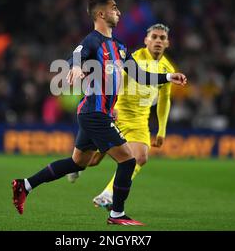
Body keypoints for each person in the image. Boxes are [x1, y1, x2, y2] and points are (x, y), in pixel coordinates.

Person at [11, 0, 187, 226]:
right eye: (114, 8)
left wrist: (167, 76)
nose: (119, 12)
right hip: (94, 113)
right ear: (101, 14)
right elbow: (76, 53)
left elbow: (140, 76)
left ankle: (25, 185)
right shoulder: (93, 40)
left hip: (94, 114)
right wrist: (75, 68)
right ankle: (117, 214)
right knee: (128, 161)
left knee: (78, 163)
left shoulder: (120, 47)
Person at [67, 23, 175, 210]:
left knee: (140, 157)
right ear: (146, 40)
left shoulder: (168, 68)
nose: (158, 40)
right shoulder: (133, 58)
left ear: (168, 43)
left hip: (139, 122)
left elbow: (165, 100)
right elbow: (111, 79)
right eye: (154, 37)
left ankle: (107, 194)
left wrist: (162, 129)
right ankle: (75, 167)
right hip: (115, 115)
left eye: (162, 38)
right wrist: (111, 106)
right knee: (90, 161)